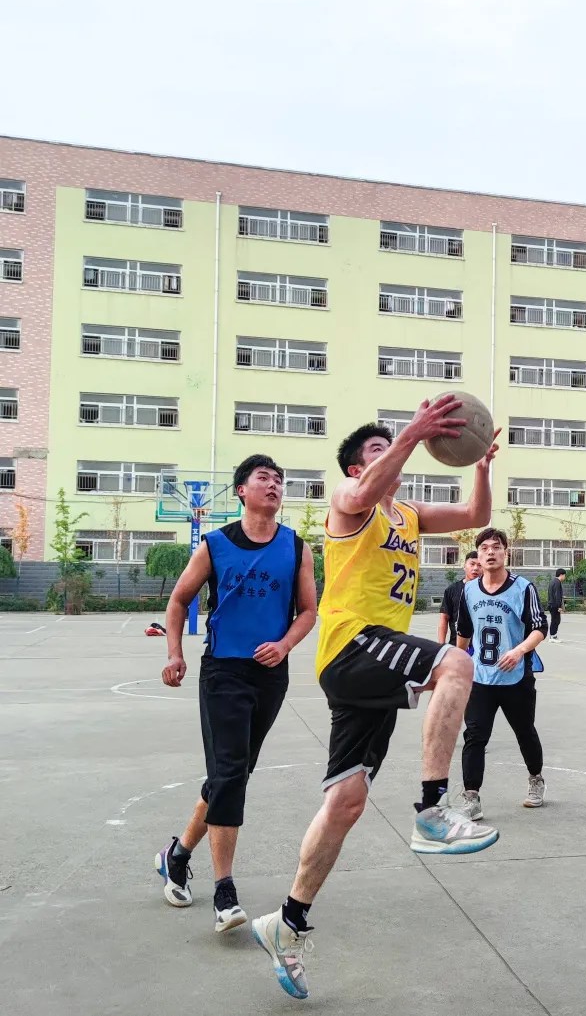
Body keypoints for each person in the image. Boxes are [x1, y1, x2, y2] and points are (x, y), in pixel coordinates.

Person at [251, 401, 500, 1001]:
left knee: (346, 801)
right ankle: (432, 811)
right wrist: (412, 433)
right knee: (457, 664)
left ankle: (286, 922)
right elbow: (361, 492)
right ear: (359, 463)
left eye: (391, 446)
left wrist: (482, 465)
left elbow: (474, 514)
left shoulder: (408, 514)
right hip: (351, 644)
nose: (391, 453)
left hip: (371, 667)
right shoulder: (347, 502)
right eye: (377, 448)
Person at [157, 455, 318, 933]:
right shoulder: (215, 545)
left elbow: (309, 610)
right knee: (230, 774)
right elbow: (178, 599)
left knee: (234, 773)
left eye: (279, 480)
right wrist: (174, 653)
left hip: (271, 675)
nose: (274, 485)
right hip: (224, 671)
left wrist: (285, 644)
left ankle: (177, 854)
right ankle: (224, 890)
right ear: (242, 491)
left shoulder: (296, 546)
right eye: (263, 478)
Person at [456, 526, 548, 815]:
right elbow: (464, 632)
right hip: (480, 678)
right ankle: (472, 797)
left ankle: (536, 779)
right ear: (477, 556)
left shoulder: (523, 588)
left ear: (506, 553)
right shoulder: (469, 590)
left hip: (516, 677)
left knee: (525, 732)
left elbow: (540, 628)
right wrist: (456, 668)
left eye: (496, 547)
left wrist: (519, 650)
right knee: (474, 736)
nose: (490, 552)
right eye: (484, 548)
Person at [438, 551, 480, 647]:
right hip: (456, 645)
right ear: (464, 566)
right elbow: (444, 618)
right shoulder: (452, 590)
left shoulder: (488, 590)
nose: (475, 568)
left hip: (481, 648)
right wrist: (440, 646)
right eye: (472, 564)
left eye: (480, 565)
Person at [548, 567, 567, 640]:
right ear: (561, 575)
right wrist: (559, 606)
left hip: (551, 604)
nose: (565, 577)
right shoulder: (557, 582)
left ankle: (554, 635)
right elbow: (557, 595)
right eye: (564, 575)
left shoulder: (552, 581)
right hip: (554, 605)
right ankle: (552, 636)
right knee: (555, 621)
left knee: (556, 620)